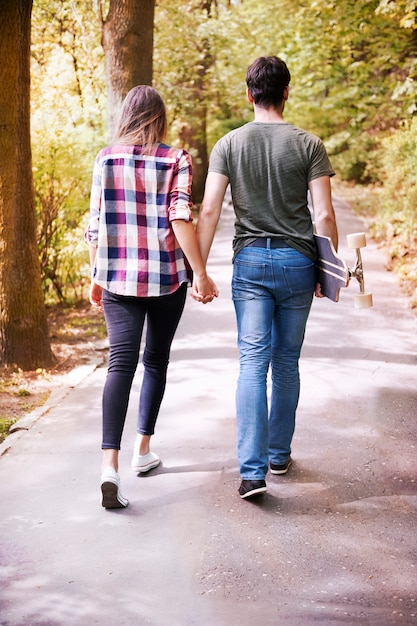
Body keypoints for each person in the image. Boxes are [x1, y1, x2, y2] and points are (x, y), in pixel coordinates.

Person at [195, 56, 338, 499]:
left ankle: (252, 472)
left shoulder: (228, 144)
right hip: (298, 263)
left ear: (249, 93)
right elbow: (326, 214)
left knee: (252, 362)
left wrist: (199, 271)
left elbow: (209, 209)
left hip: (251, 263)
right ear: (287, 92)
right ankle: (278, 454)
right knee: (286, 361)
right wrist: (326, 270)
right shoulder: (309, 144)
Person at [86, 85, 218, 509]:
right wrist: (200, 272)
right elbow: (180, 216)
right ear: (160, 118)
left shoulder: (105, 158)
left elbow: (96, 225)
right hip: (165, 279)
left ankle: (110, 467)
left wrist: (96, 275)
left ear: (126, 115)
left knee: (119, 364)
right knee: (155, 360)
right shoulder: (176, 159)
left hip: (116, 281)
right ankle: (142, 452)